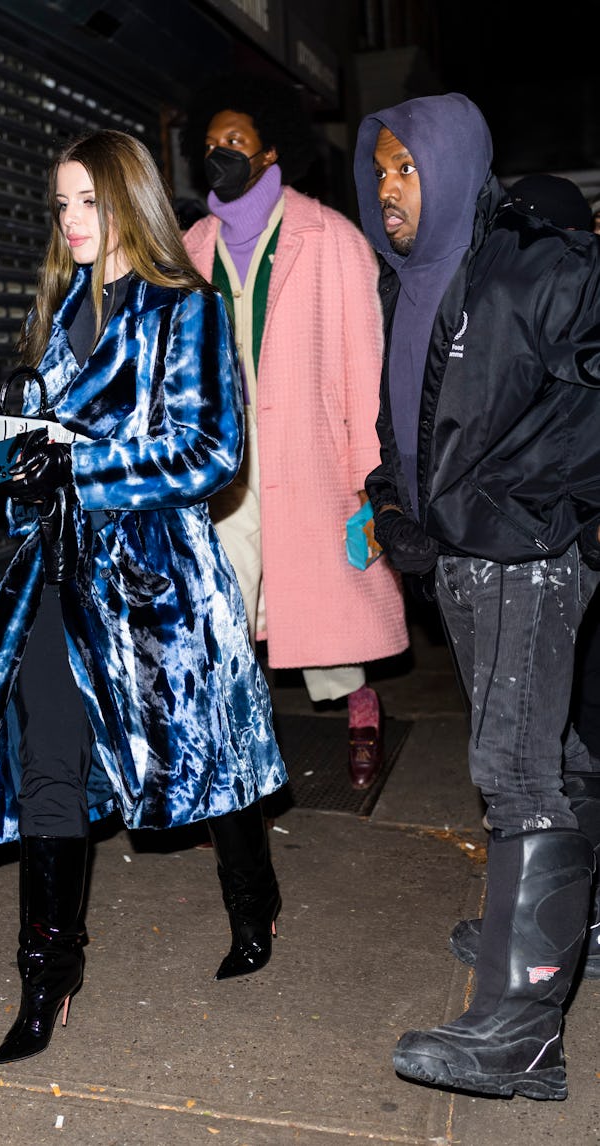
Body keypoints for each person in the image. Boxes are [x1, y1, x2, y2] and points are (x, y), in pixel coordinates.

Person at [0, 129, 288, 1066]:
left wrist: (78, 466)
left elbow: (210, 452)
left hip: (159, 581)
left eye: (89, 201)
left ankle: (253, 900)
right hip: (61, 571)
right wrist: (19, 463)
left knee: (208, 760)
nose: (72, 220)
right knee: (47, 752)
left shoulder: (185, 307)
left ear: (131, 199)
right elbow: (46, 453)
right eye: (61, 205)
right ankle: (47, 975)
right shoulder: (63, 312)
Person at [353, 92, 600, 1102]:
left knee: (514, 768)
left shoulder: (533, 265)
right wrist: (395, 500)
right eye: (380, 170)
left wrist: (529, 500)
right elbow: (410, 424)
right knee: (553, 750)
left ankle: (521, 1033)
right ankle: (556, 928)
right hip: (460, 557)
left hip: (523, 554)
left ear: (453, 167)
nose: (388, 189)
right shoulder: (412, 280)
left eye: (407, 169)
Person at [180, 75, 408, 792]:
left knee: (325, 597)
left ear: (271, 149)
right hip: (223, 457)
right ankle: (233, 752)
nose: (220, 152)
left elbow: (365, 366)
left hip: (311, 450)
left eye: (235, 140)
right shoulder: (190, 247)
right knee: (224, 607)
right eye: (210, 143)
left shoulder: (330, 238)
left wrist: (370, 477)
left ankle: (360, 708)